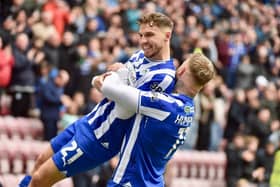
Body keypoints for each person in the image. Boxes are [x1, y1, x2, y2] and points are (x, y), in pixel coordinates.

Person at [19, 12, 176, 187]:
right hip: (90, 120)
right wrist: (111, 79)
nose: (143, 41)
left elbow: (127, 107)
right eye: (141, 35)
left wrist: (115, 80)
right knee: (40, 162)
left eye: (149, 35)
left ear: (167, 36)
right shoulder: (140, 55)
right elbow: (111, 80)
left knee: (42, 179)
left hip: (100, 139)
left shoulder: (164, 76)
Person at [100, 52, 216, 187]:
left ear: (181, 70)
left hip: (130, 181)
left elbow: (111, 89)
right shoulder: (188, 110)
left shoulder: (166, 105)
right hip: (153, 182)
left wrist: (121, 72)